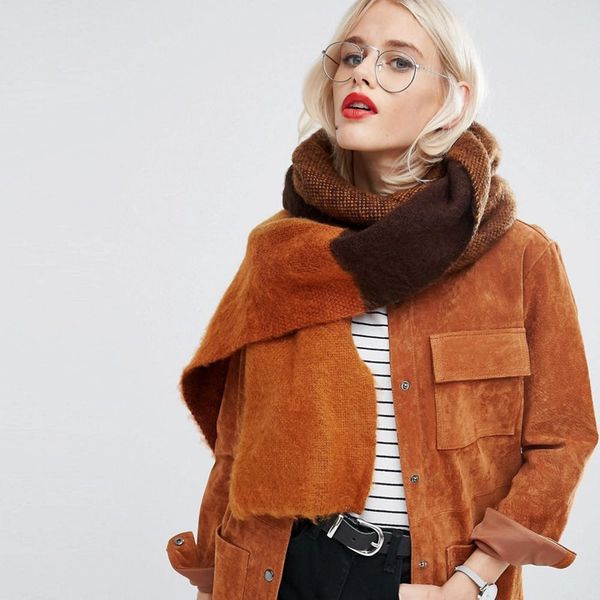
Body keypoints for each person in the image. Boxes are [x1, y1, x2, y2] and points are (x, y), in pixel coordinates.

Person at [165, 1, 599, 599]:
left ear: (454, 101)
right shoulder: (280, 252)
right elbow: (238, 444)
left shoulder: (520, 259)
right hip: (280, 566)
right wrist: (213, 581)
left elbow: (563, 438)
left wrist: (471, 580)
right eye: (352, 56)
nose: (362, 73)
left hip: (430, 575)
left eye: (398, 62)